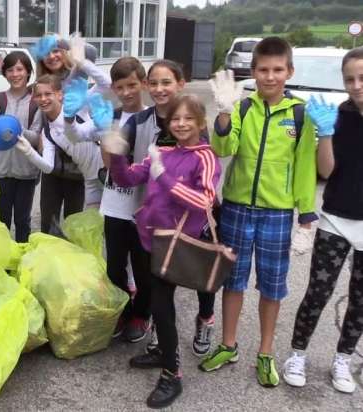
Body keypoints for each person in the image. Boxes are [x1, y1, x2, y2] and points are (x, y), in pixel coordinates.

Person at [200, 37, 318, 388]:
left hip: (277, 214)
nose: (270, 77)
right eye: (263, 70)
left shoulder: (300, 113)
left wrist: (307, 215)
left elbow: (305, 166)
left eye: (277, 70)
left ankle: (265, 352)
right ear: (252, 72)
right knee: (232, 282)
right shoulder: (243, 108)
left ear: (289, 71)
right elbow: (224, 148)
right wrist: (222, 113)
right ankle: (228, 344)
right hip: (236, 208)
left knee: (272, 287)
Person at [107, 94, 221, 408]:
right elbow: (125, 179)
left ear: (200, 123)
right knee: (159, 306)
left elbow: (205, 201)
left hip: (176, 245)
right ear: (168, 123)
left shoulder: (205, 156)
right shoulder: (161, 152)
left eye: (188, 118)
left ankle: (173, 373)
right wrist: (117, 154)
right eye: (175, 119)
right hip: (148, 241)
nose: (181, 124)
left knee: (162, 307)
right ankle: (163, 353)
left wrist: (165, 178)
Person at [282, 47, 363, 394]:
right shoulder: (339, 116)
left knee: (361, 299)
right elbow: (326, 172)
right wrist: (326, 133)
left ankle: (343, 359)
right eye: (350, 79)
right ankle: (297, 354)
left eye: (362, 78)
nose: (356, 85)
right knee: (318, 292)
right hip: (335, 218)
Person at [14, 75, 102, 233]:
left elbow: (104, 84)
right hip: (58, 177)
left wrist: (83, 63)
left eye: (48, 94)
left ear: (60, 94)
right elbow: (48, 167)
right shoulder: (47, 132)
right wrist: (28, 150)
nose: (43, 99)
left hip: (90, 177)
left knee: (78, 226)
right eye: (39, 95)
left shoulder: (76, 108)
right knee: (48, 225)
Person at [102, 57, 150, 341]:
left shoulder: (154, 116)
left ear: (143, 83)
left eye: (132, 85)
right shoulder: (112, 116)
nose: (127, 92)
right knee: (114, 264)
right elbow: (108, 164)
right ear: (114, 89)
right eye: (120, 87)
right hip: (115, 202)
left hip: (145, 205)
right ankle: (122, 309)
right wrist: (108, 142)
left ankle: (142, 314)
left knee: (143, 266)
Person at [0, 51, 42, 242]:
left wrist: (15, 128)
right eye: (10, 70)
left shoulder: (36, 102)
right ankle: (4, 261)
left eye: (19, 69)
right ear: (5, 74)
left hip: (26, 172)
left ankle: (22, 259)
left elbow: (36, 138)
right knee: (2, 221)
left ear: (28, 72)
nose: (15, 74)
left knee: (23, 220)